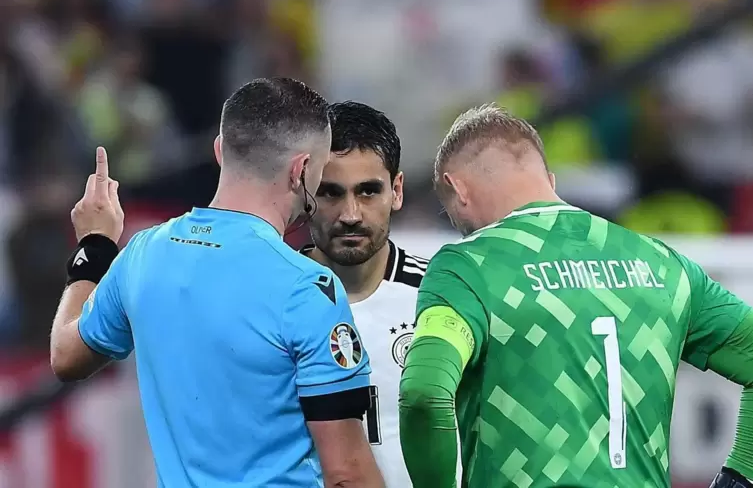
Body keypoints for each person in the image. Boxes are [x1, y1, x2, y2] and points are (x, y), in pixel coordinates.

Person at [49, 78, 384, 488]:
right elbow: (347, 474)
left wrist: (95, 245)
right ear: (302, 170)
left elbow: (65, 356)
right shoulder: (306, 286)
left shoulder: (142, 254)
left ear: (220, 151)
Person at [398, 103, 753, 488]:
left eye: (453, 219)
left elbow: (423, 392)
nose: (461, 230)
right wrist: (740, 476)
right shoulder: (664, 264)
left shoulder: (468, 266)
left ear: (458, 189)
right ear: (549, 180)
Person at [302, 101, 458, 487]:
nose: (351, 214)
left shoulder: (444, 295)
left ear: (397, 190)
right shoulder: (265, 297)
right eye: (331, 193)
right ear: (304, 191)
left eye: (369, 191)